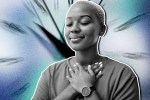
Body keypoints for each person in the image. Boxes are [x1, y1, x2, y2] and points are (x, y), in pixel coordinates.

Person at [32, 0, 140, 100]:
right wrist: (72, 89)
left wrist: (86, 88)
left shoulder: (123, 75)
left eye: (84, 22)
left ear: (102, 30)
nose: (74, 29)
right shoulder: (51, 73)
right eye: (69, 24)